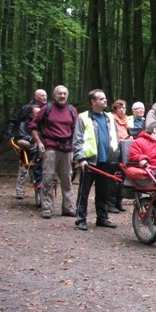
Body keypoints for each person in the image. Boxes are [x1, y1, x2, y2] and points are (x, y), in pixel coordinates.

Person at [29, 85, 78, 219]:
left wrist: (75, 149)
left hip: (67, 149)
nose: (62, 96)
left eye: (64, 93)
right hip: (50, 147)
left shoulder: (72, 110)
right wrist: (39, 143)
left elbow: (76, 130)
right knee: (48, 178)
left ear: (67, 95)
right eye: (59, 94)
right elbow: (32, 126)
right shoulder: (47, 109)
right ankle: (47, 208)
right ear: (54, 95)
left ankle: (68, 208)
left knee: (67, 179)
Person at [72, 89, 119, 231]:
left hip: (107, 161)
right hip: (89, 161)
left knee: (103, 191)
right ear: (93, 101)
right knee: (84, 191)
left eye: (105, 98)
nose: (105, 100)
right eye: (101, 99)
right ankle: (81, 219)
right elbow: (78, 139)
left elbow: (114, 137)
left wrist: (115, 157)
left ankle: (102, 218)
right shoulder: (83, 117)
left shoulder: (110, 117)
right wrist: (80, 158)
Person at [13, 104, 42, 199]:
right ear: (31, 114)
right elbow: (22, 136)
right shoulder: (24, 123)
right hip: (29, 147)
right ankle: (20, 190)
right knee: (23, 169)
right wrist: (32, 139)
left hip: (43, 148)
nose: (39, 115)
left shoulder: (44, 123)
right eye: (36, 113)